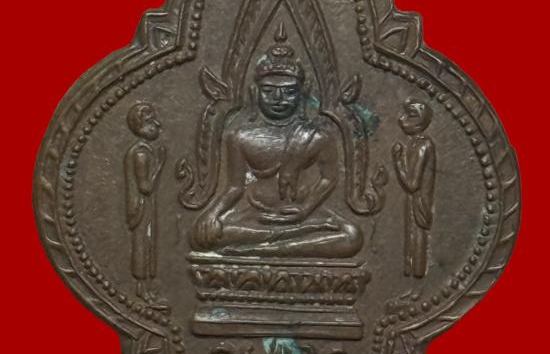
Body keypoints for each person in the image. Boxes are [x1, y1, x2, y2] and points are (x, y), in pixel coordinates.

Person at [191, 26, 362, 258]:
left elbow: (328, 178)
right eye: (269, 91)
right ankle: (285, 243)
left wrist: (305, 210)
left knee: (351, 235)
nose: (279, 99)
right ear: (255, 92)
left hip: (304, 216)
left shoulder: (318, 136)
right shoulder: (240, 137)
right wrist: (212, 213)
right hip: (256, 217)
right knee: (203, 235)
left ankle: (262, 250)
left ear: (303, 92)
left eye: (289, 92)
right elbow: (234, 188)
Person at [125, 102, 166, 302]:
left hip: (145, 206)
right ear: (140, 126)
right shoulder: (141, 153)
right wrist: (160, 165)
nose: (157, 124)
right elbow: (146, 187)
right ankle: (142, 289)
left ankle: (147, 288)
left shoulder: (142, 150)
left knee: (147, 243)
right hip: (141, 207)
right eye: (151, 121)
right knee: (143, 243)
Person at [392, 99, 436, 277]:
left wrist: (397, 161)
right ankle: (412, 278)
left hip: (418, 205)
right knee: (411, 241)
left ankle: (416, 278)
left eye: (409, 115)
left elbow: (412, 185)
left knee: (416, 240)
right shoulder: (415, 143)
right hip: (414, 203)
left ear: (420, 120)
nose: (401, 119)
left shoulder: (422, 145)